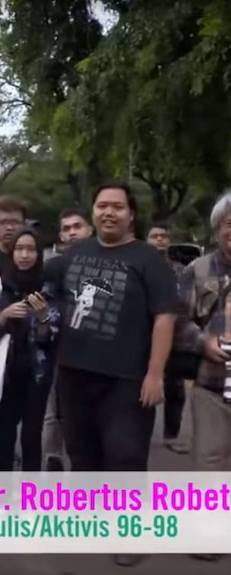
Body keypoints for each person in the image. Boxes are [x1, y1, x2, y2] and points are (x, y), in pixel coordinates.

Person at [47, 183, 177, 568]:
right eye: (102, 205)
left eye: (117, 207)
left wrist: (155, 373)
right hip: (73, 371)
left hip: (128, 377)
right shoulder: (76, 255)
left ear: (131, 214)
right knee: (83, 454)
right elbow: (41, 285)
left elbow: (164, 318)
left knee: (125, 456)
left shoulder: (149, 260)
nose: (108, 213)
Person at [174, 192, 231, 564]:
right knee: (211, 460)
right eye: (230, 225)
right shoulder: (196, 271)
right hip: (212, 380)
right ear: (218, 229)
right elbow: (176, 320)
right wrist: (203, 342)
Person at [0, 228, 59, 471]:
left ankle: (30, 499)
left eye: (31, 249)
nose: (25, 255)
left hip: (35, 376)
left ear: (39, 254)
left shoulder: (49, 289)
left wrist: (42, 319)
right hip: (2, 374)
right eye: (19, 249)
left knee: (31, 438)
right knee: (1, 437)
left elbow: (49, 340)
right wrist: (3, 317)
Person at [42, 208, 93, 471]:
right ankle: (53, 457)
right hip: (60, 348)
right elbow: (46, 306)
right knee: (56, 410)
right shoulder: (53, 266)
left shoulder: (104, 266)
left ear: (89, 229)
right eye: (66, 228)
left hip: (96, 351)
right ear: (61, 235)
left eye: (78, 226)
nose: (72, 232)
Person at [146, 221, 188, 453]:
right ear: (147, 240)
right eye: (155, 236)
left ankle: (171, 436)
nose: (160, 240)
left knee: (175, 388)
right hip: (143, 335)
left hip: (175, 335)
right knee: (143, 388)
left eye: (163, 236)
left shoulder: (180, 269)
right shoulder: (140, 266)